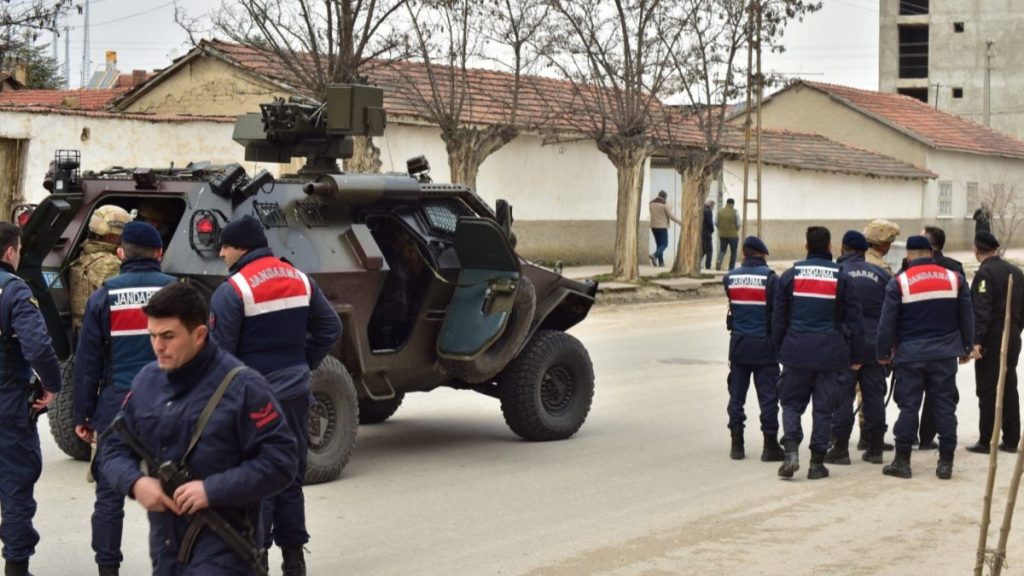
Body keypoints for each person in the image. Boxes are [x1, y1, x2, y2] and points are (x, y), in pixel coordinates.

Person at [100, 282, 298, 575]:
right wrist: (135, 482)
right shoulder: (146, 381)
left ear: (199, 335)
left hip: (225, 545)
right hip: (167, 548)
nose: (158, 346)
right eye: (152, 335)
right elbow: (113, 447)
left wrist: (211, 489)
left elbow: (281, 460)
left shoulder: (244, 387)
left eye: (168, 336)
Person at [209, 215, 342, 575]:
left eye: (225, 245)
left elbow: (220, 357)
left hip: (256, 403)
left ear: (242, 247)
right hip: (296, 396)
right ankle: (294, 560)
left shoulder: (234, 290)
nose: (220, 253)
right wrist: (303, 364)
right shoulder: (300, 278)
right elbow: (331, 326)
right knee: (290, 479)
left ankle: (258, 560)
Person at [73, 222, 176, 576]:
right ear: (159, 254)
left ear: (121, 254)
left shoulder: (105, 295)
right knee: (173, 489)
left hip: (117, 406)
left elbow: (87, 362)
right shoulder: (177, 292)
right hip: (169, 406)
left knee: (109, 493)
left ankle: (107, 568)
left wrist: (83, 415)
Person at [876, 235, 973, 480]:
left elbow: (887, 323)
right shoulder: (955, 279)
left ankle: (902, 461)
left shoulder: (899, 282)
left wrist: (883, 352)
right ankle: (945, 464)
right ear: (931, 253)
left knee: (908, 407)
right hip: (945, 355)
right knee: (945, 407)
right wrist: (966, 347)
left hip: (911, 356)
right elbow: (966, 316)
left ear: (908, 256)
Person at [772, 226, 863, 480]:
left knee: (790, 404)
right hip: (830, 354)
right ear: (830, 247)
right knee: (823, 409)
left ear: (806, 246)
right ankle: (816, 464)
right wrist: (855, 356)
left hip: (796, 351)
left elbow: (778, 320)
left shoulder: (790, 276)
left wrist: (780, 350)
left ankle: (790, 453)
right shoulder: (842, 278)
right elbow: (855, 321)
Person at [0, 222, 61, 576]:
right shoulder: (14, 292)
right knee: (15, 486)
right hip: (7, 404)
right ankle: (16, 567)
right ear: (11, 251)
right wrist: (51, 385)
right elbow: (38, 345)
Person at [828, 231, 891, 465]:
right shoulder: (881, 274)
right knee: (874, 396)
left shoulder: (837, 274)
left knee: (843, 397)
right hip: (874, 344)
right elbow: (891, 311)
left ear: (842, 249)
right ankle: (875, 448)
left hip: (845, 343)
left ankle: (840, 449)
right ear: (864, 251)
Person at [723, 236, 784, 462]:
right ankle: (770, 446)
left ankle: (736, 445)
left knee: (736, 397)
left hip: (739, 346)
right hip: (765, 348)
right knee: (768, 398)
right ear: (762, 255)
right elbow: (777, 317)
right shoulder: (770, 279)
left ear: (744, 254)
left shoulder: (730, 278)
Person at [967, 231, 1024, 455]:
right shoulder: (1016, 272)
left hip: (991, 337)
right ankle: (1011, 439)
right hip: (1012, 335)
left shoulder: (984, 274)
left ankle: (986, 439)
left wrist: (977, 340)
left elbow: (982, 310)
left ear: (976, 250)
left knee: (988, 388)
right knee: (1008, 385)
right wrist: (1016, 329)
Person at [913, 225, 964, 451]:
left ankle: (908, 440)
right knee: (939, 395)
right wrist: (964, 344)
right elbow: (965, 310)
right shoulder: (955, 268)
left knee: (910, 396)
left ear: (930, 246)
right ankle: (927, 439)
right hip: (946, 344)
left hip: (912, 343)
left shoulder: (909, 268)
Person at [70, 205, 132, 331]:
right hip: (101, 333)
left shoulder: (84, 256)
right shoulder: (111, 264)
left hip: (83, 330)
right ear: (112, 236)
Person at [648, 191, 681, 267]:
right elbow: (671, 216)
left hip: (653, 227)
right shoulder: (664, 205)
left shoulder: (651, 203)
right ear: (665, 197)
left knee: (659, 244)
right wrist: (680, 222)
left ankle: (661, 263)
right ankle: (654, 255)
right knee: (664, 244)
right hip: (662, 227)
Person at [716, 199, 740, 271]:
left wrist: (721, 229)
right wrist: (736, 229)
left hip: (722, 235)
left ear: (726, 203)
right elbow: (738, 223)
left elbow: (716, 222)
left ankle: (719, 262)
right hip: (733, 235)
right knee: (733, 251)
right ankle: (731, 268)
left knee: (722, 250)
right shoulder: (735, 212)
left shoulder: (720, 212)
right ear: (732, 204)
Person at [702, 200, 716, 270]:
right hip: (706, 233)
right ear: (711, 205)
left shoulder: (702, 209)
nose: (713, 208)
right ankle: (708, 266)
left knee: (703, 250)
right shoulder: (708, 211)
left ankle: (697, 264)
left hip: (701, 233)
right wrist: (712, 230)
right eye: (713, 206)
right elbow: (710, 223)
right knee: (709, 251)